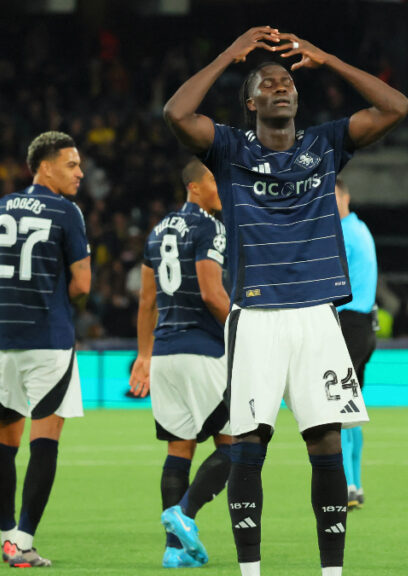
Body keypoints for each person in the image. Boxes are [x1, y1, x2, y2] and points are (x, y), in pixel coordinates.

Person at [164, 26, 408, 576]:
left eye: (288, 81)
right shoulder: (229, 149)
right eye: (268, 83)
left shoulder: (324, 146)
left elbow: (396, 105)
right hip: (256, 317)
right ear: (250, 102)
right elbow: (177, 115)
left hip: (320, 319)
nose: (282, 87)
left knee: (325, 442)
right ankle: (251, 571)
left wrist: (330, 58)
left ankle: (332, 571)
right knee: (248, 444)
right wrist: (230, 54)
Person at [0, 131, 92, 568]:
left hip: (4, 343)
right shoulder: (66, 211)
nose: (80, 173)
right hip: (48, 341)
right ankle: (23, 541)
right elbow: (82, 284)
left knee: (4, 437)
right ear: (44, 166)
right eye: (71, 164)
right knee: (45, 441)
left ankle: (6, 534)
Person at [129, 158, 233, 568]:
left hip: (166, 354)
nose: (221, 187)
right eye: (215, 180)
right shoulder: (210, 227)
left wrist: (143, 355)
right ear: (194, 186)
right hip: (202, 351)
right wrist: (242, 332)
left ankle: (175, 550)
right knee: (235, 445)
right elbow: (211, 293)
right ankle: (183, 513)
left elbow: (146, 299)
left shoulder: (156, 232)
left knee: (179, 447)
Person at [333, 178, 377, 510]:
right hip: (363, 327)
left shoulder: (342, 234)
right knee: (352, 409)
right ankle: (356, 484)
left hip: (348, 325)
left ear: (345, 197)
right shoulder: (361, 228)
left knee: (337, 410)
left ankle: (346, 484)